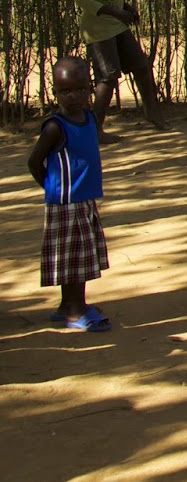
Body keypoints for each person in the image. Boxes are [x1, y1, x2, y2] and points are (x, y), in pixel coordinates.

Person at [27, 57, 112, 331]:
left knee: (81, 256)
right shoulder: (55, 126)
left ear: (89, 90)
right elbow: (34, 162)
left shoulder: (89, 118)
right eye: (64, 91)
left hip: (83, 200)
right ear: (55, 93)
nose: (72, 96)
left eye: (79, 90)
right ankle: (75, 310)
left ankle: (70, 304)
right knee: (71, 259)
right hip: (65, 203)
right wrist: (53, 188)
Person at [76, 0, 166, 140]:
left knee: (141, 65)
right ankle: (95, 128)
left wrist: (126, 8)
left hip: (115, 25)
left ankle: (152, 113)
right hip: (98, 30)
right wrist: (116, 12)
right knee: (107, 77)